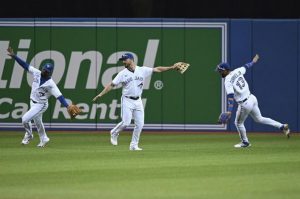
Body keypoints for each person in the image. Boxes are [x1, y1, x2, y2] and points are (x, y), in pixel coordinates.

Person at [92, 53, 177, 150]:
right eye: (122, 60)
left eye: (125, 59)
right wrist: (101, 94)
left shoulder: (142, 70)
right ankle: (114, 132)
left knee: (140, 124)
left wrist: (172, 67)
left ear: (131, 59)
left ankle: (133, 145)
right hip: (127, 100)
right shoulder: (122, 74)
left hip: (138, 100)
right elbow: (112, 85)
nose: (123, 61)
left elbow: (157, 69)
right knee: (126, 123)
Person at [216, 54, 290, 148]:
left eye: (220, 71)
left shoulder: (227, 80)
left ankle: (245, 142)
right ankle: (282, 126)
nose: (219, 73)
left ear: (226, 70)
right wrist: (253, 61)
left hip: (245, 104)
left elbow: (230, 96)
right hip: (252, 98)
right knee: (259, 119)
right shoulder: (237, 71)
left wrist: (229, 111)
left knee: (238, 123)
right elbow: (246, 66)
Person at [7, 47, 71, 147]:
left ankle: (29, 135)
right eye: (43, 69)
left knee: (25, 119)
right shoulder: (37, 72)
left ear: (49, 73)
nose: (43, 71)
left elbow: (60, 97)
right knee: (38, 122)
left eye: (46, 71)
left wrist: (67, 106)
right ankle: (44, 138)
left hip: (41, 105)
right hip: (32, 101)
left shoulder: (51, 84)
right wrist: (14, 56)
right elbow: (25, 65)